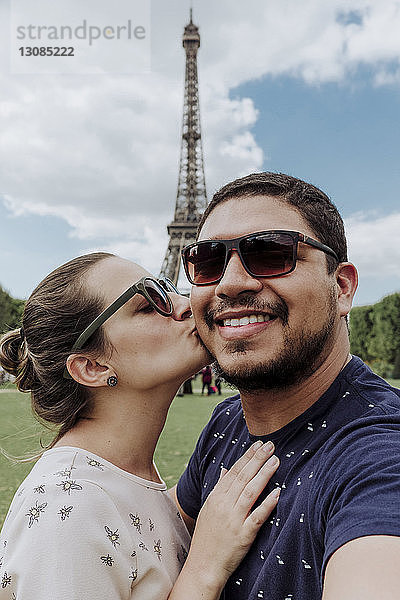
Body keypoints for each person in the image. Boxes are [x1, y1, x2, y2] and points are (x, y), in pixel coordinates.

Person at [0, 252, 281, 600]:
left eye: (167, 290)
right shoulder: (70, 509)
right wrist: (204, 568)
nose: (186, 304)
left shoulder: (125, 478)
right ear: (91, 366)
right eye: (149, 305)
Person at [176, 172, 400, 599]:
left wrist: (199, 574)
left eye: (270, 253)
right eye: (207, 262)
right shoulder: (226, 422)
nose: (230, 282)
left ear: (341, 288)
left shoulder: (381, 456)